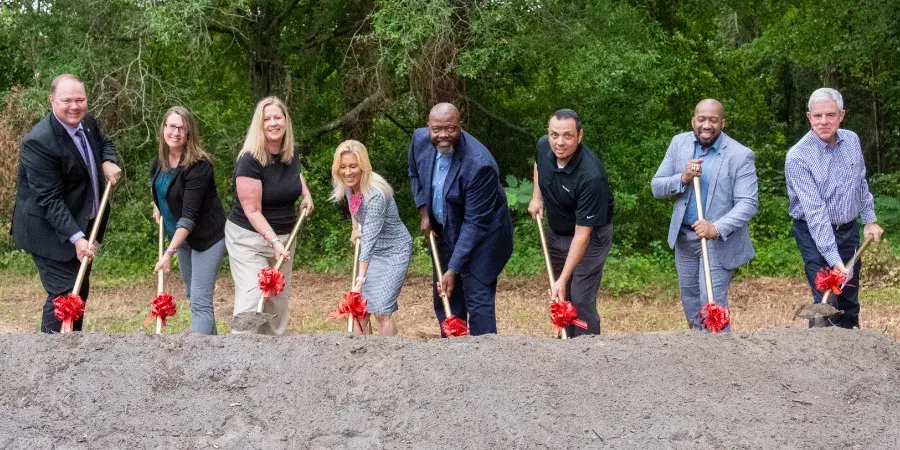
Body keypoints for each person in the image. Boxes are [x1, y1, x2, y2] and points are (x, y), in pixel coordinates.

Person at [11, 74, 122, 333]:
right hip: (50, 232)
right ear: (52, 101)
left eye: (80, 99)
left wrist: (107, 160)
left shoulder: (88, 123)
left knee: (78, 292)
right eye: (67, 100)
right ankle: (50, 359)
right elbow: (49, 200)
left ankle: (71, 353)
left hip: (83, 225)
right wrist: (77, 238)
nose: (75, 106)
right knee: (64, 295)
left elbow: (105, 142)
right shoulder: (38, 142)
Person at [651, 99, 758, 332]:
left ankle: (721, 358)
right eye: (701, 119)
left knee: (711, 303)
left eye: (713, 120)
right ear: (693, 121)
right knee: (690, 302)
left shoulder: (740, 155)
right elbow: (657, 186)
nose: (706, 125)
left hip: (717, 242)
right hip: (684, 239)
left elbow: (748, 203)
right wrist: (683, 178)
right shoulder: (679, 144)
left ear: (723, 123)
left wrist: (716, 228)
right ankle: (701, 357)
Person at [408, 103, 513, 336]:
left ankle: (485, 358)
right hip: (444, 230)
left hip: (484, 238)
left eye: (451, 129)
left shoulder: (479, 165)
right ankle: (454, 358)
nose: (443, 135)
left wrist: (453, 269)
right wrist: (424, 213)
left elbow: (474, 222)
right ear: (428, 128)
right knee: (445, 296)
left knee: (477, 299)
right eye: (437, 130)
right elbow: (414, 173)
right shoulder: (419, 140)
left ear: (461, 127)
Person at [785, 88, 884, 329]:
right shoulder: (798, 157)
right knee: (827, 300)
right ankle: (821, 361)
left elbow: (860, 182)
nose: (823, 121)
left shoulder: (851, 140)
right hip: (812, 232)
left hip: (848, 231)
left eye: (830, 115)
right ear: (809, 117)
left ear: (841, 115)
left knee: (849, 297)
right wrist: (834, 259)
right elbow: (816, 214)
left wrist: (869, 220)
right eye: (817, 116)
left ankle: (852, 355)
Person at [225, 96, 314, 335]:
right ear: (260, 124)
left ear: (286, 121)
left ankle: (272, 360)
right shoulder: (249, 160)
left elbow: (294, 174)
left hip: (285, 236)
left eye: (278, 117)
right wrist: (273, 241)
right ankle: (240, 355)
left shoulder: (290, 151)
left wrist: (306, 194)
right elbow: (252, 210)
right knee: (253, 295)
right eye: (267, 119)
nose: (273, 123)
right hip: (249, 238)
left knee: (277, 301)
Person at [527, 109, 614, 337]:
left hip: (591, 236)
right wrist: (537, 197)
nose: (559, 142)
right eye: (554, 135)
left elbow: (582, 236)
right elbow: (539, 165)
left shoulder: (590, 176)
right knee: (561, 295)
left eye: (567, 135)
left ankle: (587, 350)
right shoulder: (544, 145)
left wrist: (563, 279)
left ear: (579, 135)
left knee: (580, 295)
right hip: (558, 232)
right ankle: (564, 349)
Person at [150, 106, 227, 335]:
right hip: (181, 239)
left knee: (201, 301)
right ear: (163, 128)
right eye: (171, 126)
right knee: (193, 296)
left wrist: (168, 253)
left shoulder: (199, 165)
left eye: (182, 128)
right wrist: (159, 204)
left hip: (207, 238)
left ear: (189, 133)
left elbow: (189, 217)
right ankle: (214, 352)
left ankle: (197, 359)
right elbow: (158, 185)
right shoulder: (162, 160)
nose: (175, 132)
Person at [330, 140, 412, 336]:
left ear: (363, 166)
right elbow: (355, 210)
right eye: (342, 167)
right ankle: (362, 359)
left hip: (394, 251)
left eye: (353, 166)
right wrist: (354, 228)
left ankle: (388, 359)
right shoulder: (349, 187)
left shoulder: (375, 195)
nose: (347, 172)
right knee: (360, 311)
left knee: (382, 311)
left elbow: (369, 240)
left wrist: (360, 280)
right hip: (372, 251)